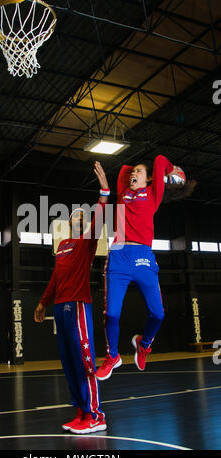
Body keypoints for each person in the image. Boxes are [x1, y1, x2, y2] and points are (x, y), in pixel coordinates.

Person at [96, 154, 196, 380]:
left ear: (149, 179)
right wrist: (137, 172)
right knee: (111, 313)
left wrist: (170, 170)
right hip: (119, 255)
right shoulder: (123, 193)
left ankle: (144, 343)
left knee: (158, 314)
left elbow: (160, 159)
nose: (133, 174)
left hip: (143, 257)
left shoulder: (152, 194)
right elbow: (124, 169)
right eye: (134, 172)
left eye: (139, 172)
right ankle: (113, 356)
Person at [34, 161, 109, 434]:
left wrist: (104, 191)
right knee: (68, 361)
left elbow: (99, 216)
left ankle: (96, 415)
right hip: (60, 306)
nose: (77, 218)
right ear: (68, 224)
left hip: (78, 305)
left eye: (81, 216)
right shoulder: (63, 245)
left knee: (84, 360)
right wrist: (43, 302)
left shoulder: (86, 242)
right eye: (73, 217)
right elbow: (55, 278)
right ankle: (81, 412)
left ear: (86, 224)